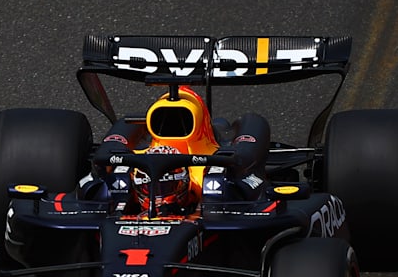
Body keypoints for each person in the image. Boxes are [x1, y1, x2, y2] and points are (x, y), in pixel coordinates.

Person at [91, 86, 271, 215]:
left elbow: (258, 192)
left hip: (208, 154)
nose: (158, 198)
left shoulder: (206, 179)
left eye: (166, 187)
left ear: (183, 182)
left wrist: (246, 182)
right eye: (149, 187)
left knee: (244, 152)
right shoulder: (130, 173)